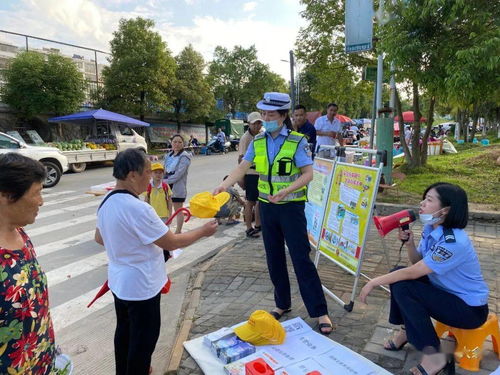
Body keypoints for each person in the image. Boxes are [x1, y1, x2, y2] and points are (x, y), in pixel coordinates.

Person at [214, 92, 334, 335]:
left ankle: (320, 311)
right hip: (266, 207)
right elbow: (242, 168)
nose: (266, 118)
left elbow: (308, 174)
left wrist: (286, 190)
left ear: (282, 116)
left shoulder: (297, 141)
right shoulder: (258, 142)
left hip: (291, 207)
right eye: (264, 113)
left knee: (301, 259)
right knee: (274, 256)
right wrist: (223, 186)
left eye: (271, 114)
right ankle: (282, 303)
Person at [95, 149, 217, 375]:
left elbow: (99, 237)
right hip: (142, 286)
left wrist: (127, 247)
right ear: (132, 175)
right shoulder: (139, 208)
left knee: (125, 333)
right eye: (148, 172)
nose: (151, 177)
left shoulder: (107, 200)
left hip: (119, 282)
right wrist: (203, 231)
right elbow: (171, 242)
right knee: (144, 339)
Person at [359, 183, 489, 375]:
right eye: (424, 198)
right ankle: (406, 331)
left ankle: (435, 358)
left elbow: (415, 272)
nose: (422, 203)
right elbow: (418, 263)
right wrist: (410, 243)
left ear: (446, 210)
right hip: (445, 293)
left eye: (429, 200)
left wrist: (374, 281)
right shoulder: (431, 229)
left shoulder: (454, 242)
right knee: (399, 273)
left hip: (469, 310)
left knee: (404, 285)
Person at [0, 153, 57, 374]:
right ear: (6, 195)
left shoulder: (21, 235)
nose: (41, 201)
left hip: (41, 359)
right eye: (36, 193)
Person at [240, 112, 263, 238]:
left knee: (260, 201)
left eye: (259, 123)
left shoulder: (261, 135)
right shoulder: (246, 138)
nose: (257, 125)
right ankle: (249, 227)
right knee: (250, 202)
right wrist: (242, 177)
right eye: (255, 123)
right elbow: (241, 159)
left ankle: (258, 224)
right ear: (249, 123)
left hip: (260, 171)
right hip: (250, 173)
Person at [163, 134, 192, 233]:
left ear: (183, 144)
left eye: (180, 142)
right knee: (167, 209)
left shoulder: (185, 156)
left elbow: (179, 174)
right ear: (171, 142)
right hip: (166, 186)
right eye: (175, 142)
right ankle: (167, 230)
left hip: (176, 187)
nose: (177, 144)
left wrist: (165, 182)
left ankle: (178, 231)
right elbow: (164, 170)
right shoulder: (168, 155)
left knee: (178, 210)